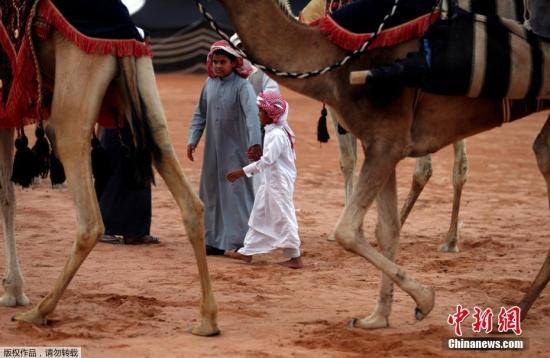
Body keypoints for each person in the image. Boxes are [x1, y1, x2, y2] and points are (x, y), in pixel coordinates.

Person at [187, 40, 262, 255]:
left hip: (236, 149)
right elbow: (199, 114)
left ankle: (240, 242)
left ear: (233, 63)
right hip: (212, 150)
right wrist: (193, 139)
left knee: (236, 193)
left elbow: (252, 118)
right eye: (216, 61)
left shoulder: (242, 86)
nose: (219, 66)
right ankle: (212, 240)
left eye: (223, 62)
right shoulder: (208, 84)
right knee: (211, 193)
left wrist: (255, 144)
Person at [226, 92, 303, 269]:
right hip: (272, 180)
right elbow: (271, 157)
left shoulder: (277, 134)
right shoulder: (274, 131)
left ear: (271, 114)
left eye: (261, 111)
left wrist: (241, 172)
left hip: (279, 182)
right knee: (259, 212)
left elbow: (267, 162)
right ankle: (247, 252)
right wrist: (261, 154)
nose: (258, 114)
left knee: (284, 216)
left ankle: (295, 257)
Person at [230, 33, 280, 193]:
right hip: (234, 132)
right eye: (238, 48)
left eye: (246, 47)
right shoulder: (226, 73)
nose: (243, 52)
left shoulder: (264, 71)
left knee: (260, 175)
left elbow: (273, 98)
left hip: (259, 132)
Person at [98, 125, 160, 245]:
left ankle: (134, 232)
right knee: (126, 175)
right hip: (125, 129)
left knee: (129, 176)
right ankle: (110, 230)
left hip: (126, 129)